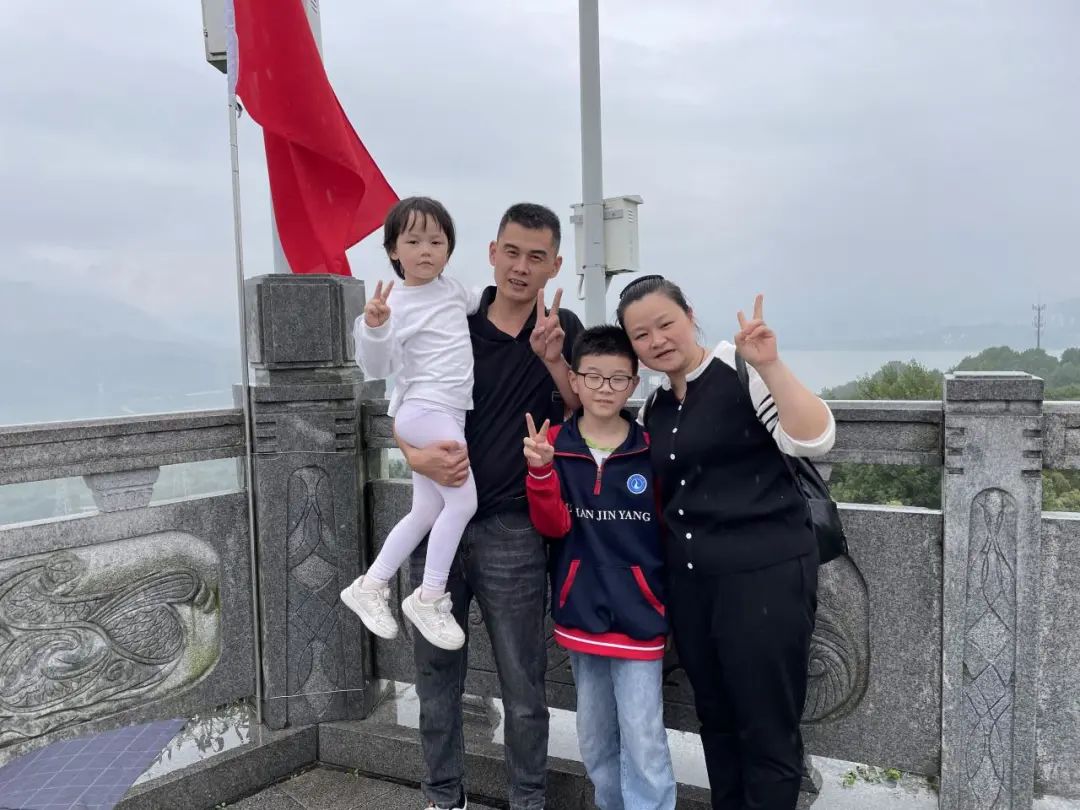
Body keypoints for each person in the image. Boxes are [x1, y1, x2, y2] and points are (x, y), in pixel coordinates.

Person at [616, 275, 835, 810]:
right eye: (641, 335)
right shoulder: (654, 407)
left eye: (665, 323)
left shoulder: (740, 373)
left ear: (689, 316)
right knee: (715, 719)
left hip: (764, 577)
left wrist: (770, 365)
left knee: (767, 726)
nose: (657, 340)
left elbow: (814, 437)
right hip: (693, 587)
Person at [397, 203, 584, 810]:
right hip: (439, 523)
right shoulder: (455, 319)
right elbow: (405, 395)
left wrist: (553, 359)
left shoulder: (563, 328)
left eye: (536, 257)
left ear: (555, 265)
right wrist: (414, 456)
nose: (521, 267)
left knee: (524, 684)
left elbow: (588, 414)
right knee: (435, 679)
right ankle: (441, 797)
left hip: (514, 527)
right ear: (492, 253)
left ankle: (528, 801)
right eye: (512, 252)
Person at [524, 325, 677, 810]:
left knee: (644, 738)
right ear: (575, 379)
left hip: (641, 617)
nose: (604, 388)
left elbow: (669, 529)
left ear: (634, 384)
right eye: (593, 377)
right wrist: (541, 471)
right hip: (581, 613)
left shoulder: (651, 449)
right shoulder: (556, 444)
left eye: (617, 379)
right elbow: (552, 526)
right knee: (594, 740)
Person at [341, 196, 481, 650]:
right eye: (414, 241)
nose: (426, 250)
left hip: (449, 412)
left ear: (449, 249)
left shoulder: (454, 291)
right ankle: (430, 595)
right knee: (463, 503)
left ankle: (371, 585)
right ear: (393, 251)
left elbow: (485, 303)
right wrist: (375, 326)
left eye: (436, 242)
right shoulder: (392, 304)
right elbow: (377, 367)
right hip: (425, 408)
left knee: (426, 511)